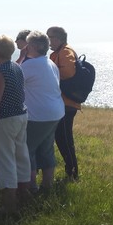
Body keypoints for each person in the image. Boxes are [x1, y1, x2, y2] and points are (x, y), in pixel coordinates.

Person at [0, 35, 30, 214]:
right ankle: (24, 196)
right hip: (20, 116)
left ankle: (9, 206)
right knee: (21, 156)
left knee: (5, 161)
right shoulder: (16, 67)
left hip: (3, 120)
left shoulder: (0, 72)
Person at [20, 31, 65, 191]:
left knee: (27, 150)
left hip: (38, 116)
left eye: (27, 44)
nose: (25, 47)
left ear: (33, 46)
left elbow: (12, 79)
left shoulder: (29, 65)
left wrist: (20, 58)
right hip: (56, 113)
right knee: (46, 150)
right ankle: (47, 185)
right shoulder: (50, 63)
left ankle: (30, 188)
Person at [48, 26, 81, 181]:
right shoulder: (59, 53)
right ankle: (71, 172)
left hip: (67, 103)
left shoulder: (65, 52)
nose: (49, 40)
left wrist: (50, 74)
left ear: (59, 38)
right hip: (63, 102)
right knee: (62, 137)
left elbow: (68, 73)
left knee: (65, 138)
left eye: (51, 37)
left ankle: (73, 173)